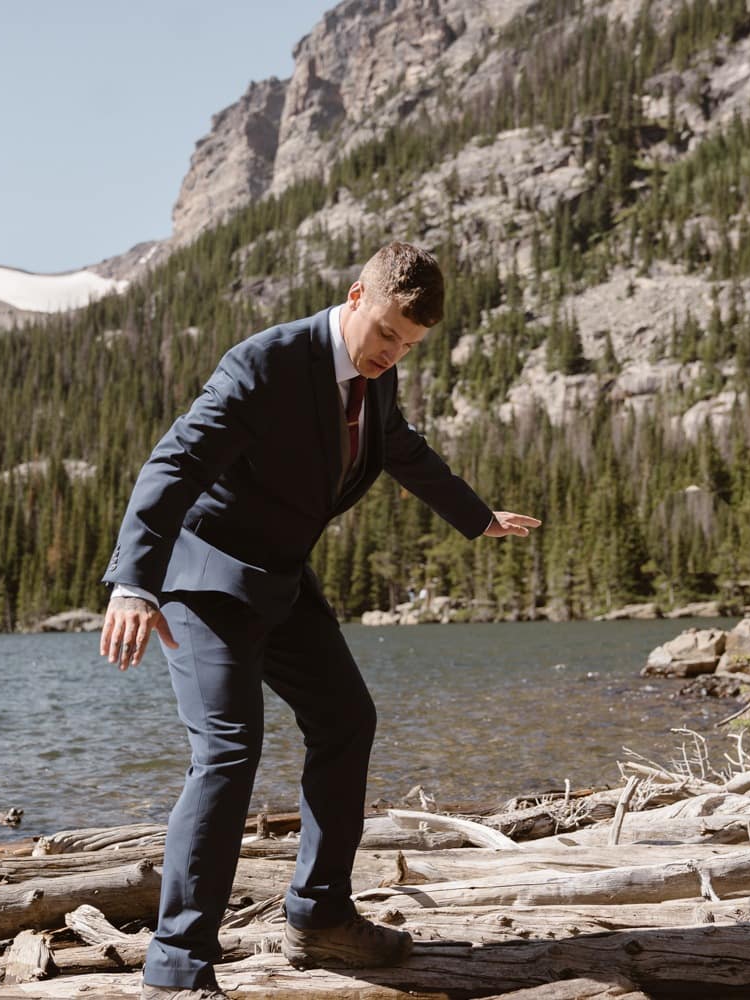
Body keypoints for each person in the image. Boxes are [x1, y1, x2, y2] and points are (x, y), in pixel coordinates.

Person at [99, 242, 541, 999]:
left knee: (346, 719)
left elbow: (400, 449)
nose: (392, 353)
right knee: (229, 752)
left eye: (408, 345)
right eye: (386, 334)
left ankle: (320, 915)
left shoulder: (376, 377)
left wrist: (477, 518)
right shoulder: (263, 364)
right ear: (354, 296)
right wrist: (133, 582)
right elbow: (174, 465)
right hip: (203, 579)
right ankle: (176, 970)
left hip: (279, 578)